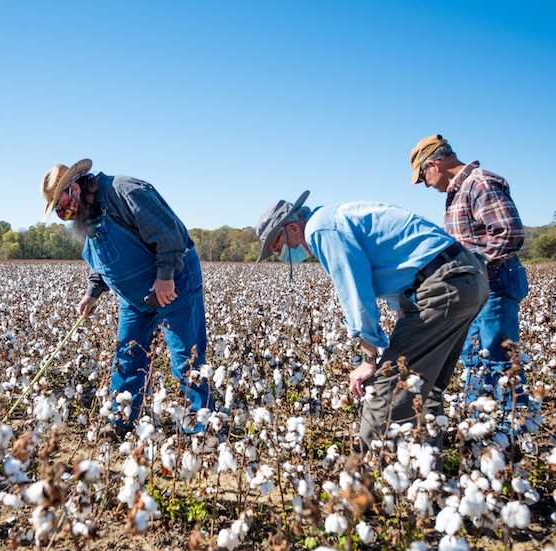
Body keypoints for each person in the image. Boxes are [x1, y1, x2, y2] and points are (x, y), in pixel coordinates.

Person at [255, 192, 488, 450]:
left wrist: (369, 360)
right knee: (423, 385)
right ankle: (425, 473)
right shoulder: (338, 217)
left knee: (387, 393)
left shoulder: (321, 229)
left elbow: (356, 294)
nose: (280, 254)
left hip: (443, 283)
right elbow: (401, 277)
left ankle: (372, 473)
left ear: (292, 227)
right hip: (464, 278)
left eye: (277, 246)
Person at [41, 159, 211, 437]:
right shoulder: (88, 214)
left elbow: (169, 232)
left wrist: (165, 276)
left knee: (185, 356)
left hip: (174, 280)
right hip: (134, 297)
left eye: (60, 204)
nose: (62, 213)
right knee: (127, 354)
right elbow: (104, 262)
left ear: (74, 189)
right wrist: (92, 293)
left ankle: (199, 428)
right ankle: (121, 417)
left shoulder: (125, 191)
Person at [409, 135, 530, 422]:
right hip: (477, 287)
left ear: (433, 164)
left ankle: (509, 433)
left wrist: (476, 270)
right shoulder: (458, 191)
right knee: (475, 356)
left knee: (496, 359)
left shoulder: (480, 183)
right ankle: (480, 430)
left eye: (422, 176)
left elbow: (508, 233)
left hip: (495, 282)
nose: (425, 184)